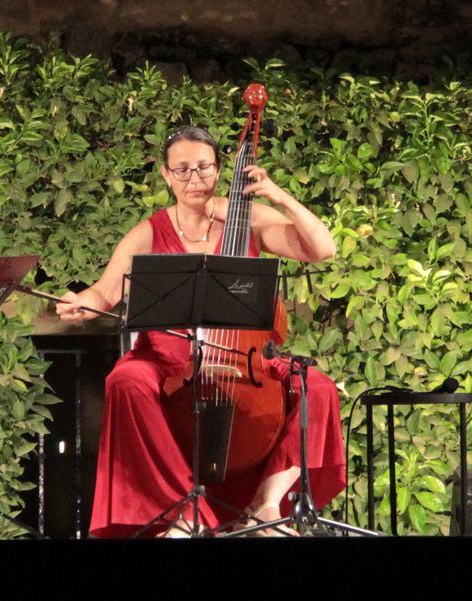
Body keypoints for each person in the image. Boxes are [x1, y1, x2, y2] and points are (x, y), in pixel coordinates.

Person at [57, 126, 344, 536]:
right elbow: (105, 292)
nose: (195, 179)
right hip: (169, 357)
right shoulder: (147, 232)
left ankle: (265, 505)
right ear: (165, 175)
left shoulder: (248, 218)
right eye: (183, 170)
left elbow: (322, 248)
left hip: (246, 358)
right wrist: (83, 303)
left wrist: (278, 196)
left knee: (317, 388)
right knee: (125, 379)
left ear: (219, 168)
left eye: (204, 168)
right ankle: (183, 509)